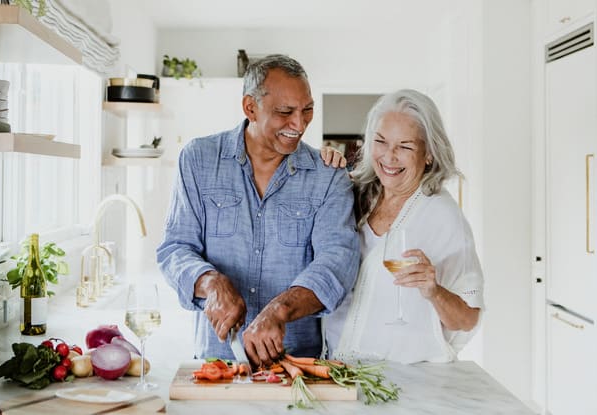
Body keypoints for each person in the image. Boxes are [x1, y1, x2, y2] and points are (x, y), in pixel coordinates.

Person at [157, 55, 360, 366]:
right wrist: (210, 282)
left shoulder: (328, 175)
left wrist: (280, 309)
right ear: (250, 107)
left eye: (307, 111)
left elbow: (337, 262)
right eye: (285, 112)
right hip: (216, 362)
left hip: (297, 365)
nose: (299, 124)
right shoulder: (198, 160)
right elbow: (175, 249)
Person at [323, 89, 484, 364]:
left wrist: (435, 291)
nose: (389, 156)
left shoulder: (443, 217)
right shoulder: (354, 194)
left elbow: (467, 318)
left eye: (405, 146)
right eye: (381, 141)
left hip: (403, 380)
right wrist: (322, 166)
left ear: (429, 154)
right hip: (336, 368)